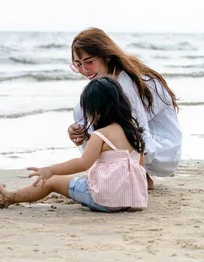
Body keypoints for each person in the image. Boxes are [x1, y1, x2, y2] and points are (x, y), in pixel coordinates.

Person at [0, 76, 148, 212]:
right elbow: (139, 168)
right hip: (129, 200)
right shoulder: (135, 133)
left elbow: (83, 163)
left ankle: (9, 197)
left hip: (104, 201)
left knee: (52, 182)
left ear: (97, 111)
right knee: (80, 181)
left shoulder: (100, 135)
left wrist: (51, 170)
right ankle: (10, 196)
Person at [67, 28, 182, 190]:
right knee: (82, 110)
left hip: (162, 146)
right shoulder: (107, 82)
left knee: (98, 121)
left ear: (106, 56)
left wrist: (139, 180)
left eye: (89, 62)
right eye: (78, 64)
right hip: (138, 137)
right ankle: (122, 171)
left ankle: (137, 175)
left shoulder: (127, 84)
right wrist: (79, 130)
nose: (84, 70)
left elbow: (139, 130)